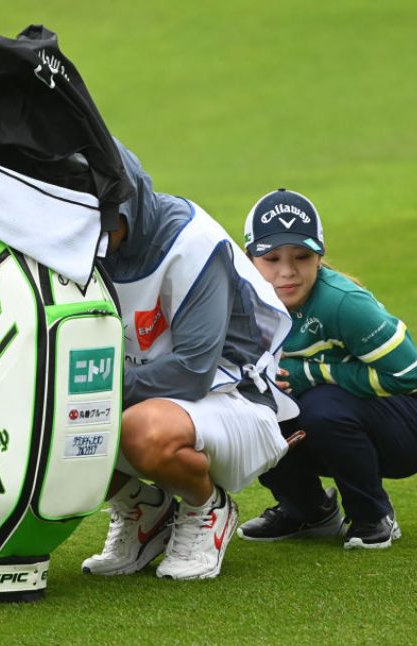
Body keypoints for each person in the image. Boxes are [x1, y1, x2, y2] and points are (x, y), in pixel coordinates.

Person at [80, 141, 298, 580]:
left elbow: (193, 370)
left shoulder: (191, 241)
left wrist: (94, 387)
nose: (95, 238)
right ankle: (143, 511)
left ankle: (207, 507)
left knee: (138, 429)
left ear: (130, 206)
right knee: (42, 417)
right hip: (150, 399)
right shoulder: (87, 246)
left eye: (105, 225)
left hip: (236, 403)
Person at [237, 189, 417, 549]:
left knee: (321, 405)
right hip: (339, 417)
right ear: (250, 260)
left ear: (319, 257)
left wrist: (313, 374)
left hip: (413, 423)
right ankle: (307, 510)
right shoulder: (242, 302)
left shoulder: (344, 302)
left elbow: (411, 376)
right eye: (271, 258)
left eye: (301, 256)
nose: (287, 271)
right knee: (251, 405)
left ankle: (372, 515)